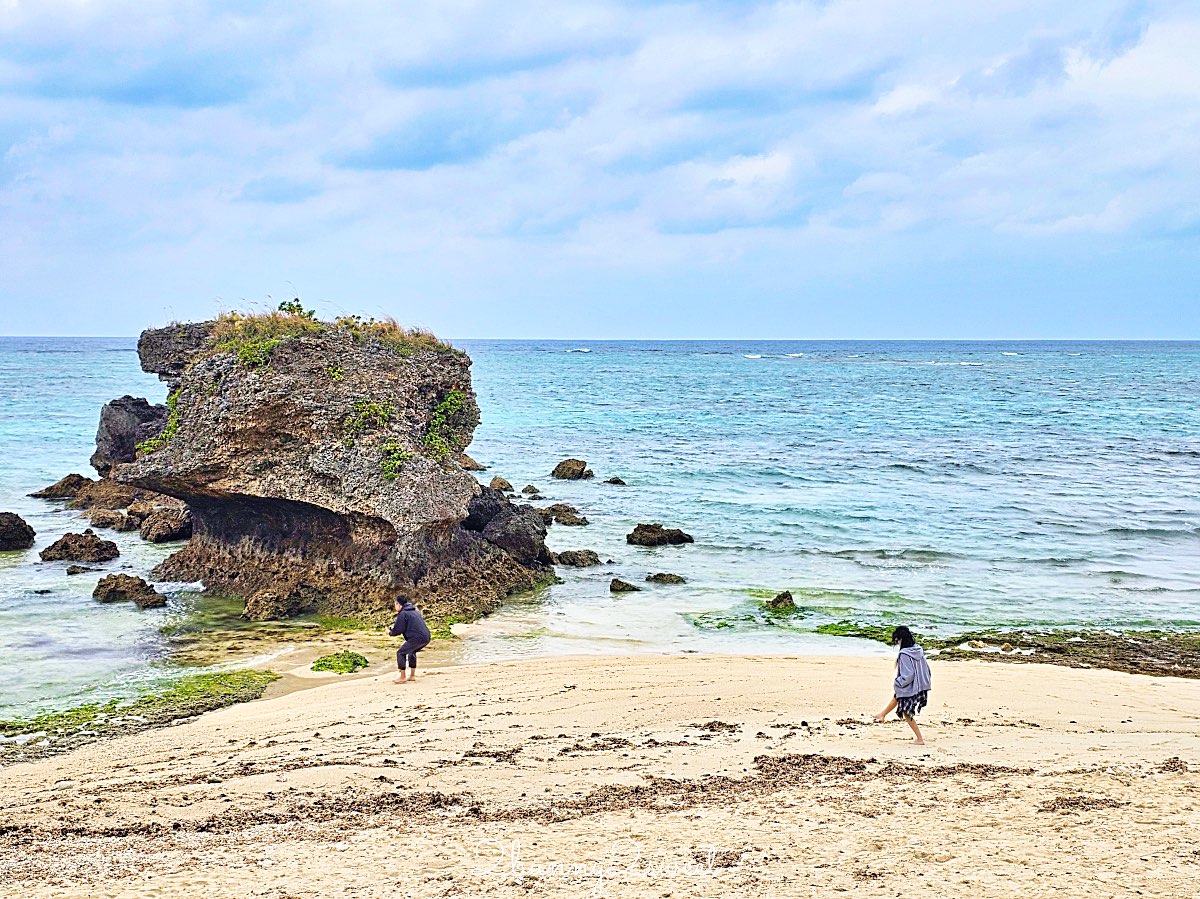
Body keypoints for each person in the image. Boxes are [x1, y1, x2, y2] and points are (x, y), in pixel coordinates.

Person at [873, 626, 932, 744]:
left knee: (906, 711)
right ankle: (882, 715)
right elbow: (927, 669)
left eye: (896, 640)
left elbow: (908, 675)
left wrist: (898, 682)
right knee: (897, 696)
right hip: (921, 684)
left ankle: (920, 739)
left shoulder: (904, 654)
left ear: (900, 639)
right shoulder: (917, 649)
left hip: (911, 685)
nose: (896, 643)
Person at [389, 593, 431, 684]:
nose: (394, 607)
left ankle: (402, 677)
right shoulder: (414, 611)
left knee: (400, 652)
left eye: (395, 604)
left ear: (398, 604)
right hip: (426, 636)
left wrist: (390, 632)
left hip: (417, 638)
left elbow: (398, 630)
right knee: (412, 651)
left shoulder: (403, 613)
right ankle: (412, 676)